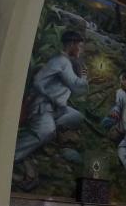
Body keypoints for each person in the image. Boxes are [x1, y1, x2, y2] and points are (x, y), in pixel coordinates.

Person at [14, 30, 88, 167]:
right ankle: (13, 155)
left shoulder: (64, 61)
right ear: (72, 44)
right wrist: (83, 78)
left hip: (57, 107)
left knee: (77, 117)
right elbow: (76, 87)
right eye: (80, 46)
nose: (81, 49)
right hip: (44, 106)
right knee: (46, 131)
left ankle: (51, 125)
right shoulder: (62, 61)